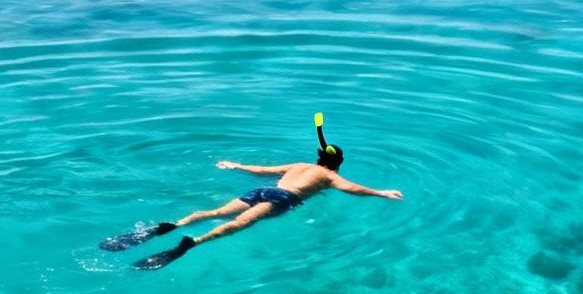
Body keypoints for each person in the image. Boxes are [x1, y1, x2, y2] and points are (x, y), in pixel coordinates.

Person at [105, 114, 404, 270]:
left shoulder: (300, 165)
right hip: (282, 199)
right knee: (238, 225)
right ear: (336, 163)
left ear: (318, 156)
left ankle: (173, 225)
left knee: (215, 212)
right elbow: (351, 188)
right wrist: (381, 193)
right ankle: (191, 242)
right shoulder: (327, 177)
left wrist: (236, 165)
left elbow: (263, 170)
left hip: (263, 189)